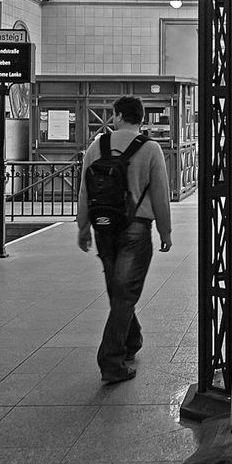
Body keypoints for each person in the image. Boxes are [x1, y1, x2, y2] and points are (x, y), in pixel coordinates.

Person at [76, 96, 172, 383]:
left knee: (118, 291)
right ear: (141, 118)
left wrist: (82, 227)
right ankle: (111, 361)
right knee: (126, 293)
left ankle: (132, 340)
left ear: (117, 116)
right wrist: (165, 232)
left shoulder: (97, 146)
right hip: (135, 228)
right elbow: (160, 194)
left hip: (103, 228)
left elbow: (84, 190)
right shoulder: (150, 149)